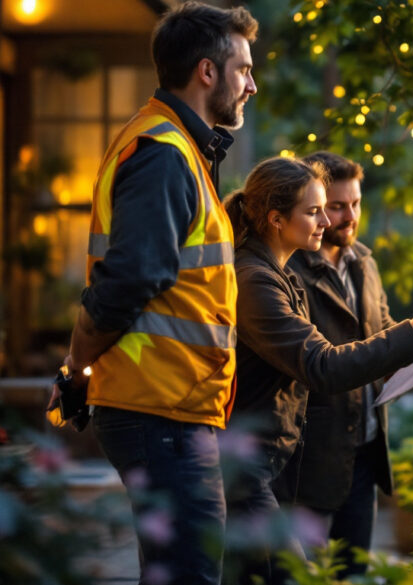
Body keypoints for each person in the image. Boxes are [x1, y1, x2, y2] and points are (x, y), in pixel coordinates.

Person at [47, 3, 258, 584]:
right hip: (159, 410)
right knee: (189, 574)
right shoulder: (163, 154)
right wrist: (76, 365)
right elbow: (130, 280)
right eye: (244, 69)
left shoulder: (178, 148)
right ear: (207, 71)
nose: (252, 85)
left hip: (170, 407)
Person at [222, 156, 413, 584]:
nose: (329, 220)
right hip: (271, 463)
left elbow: (373, 335)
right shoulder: (256, 279)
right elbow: (322, 364)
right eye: (316, 210)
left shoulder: (292, 271)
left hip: (316, 455)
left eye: (347, 205)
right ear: (276, 218)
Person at [269, 152, 398, 577]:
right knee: (302, 574)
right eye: (337, 206)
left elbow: (382, 329)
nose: (349, 216)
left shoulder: (364, 261)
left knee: (354, 574)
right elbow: (315, 362)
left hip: (365, 448)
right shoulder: (289, 272)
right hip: (311, 458)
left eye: (355, 203)